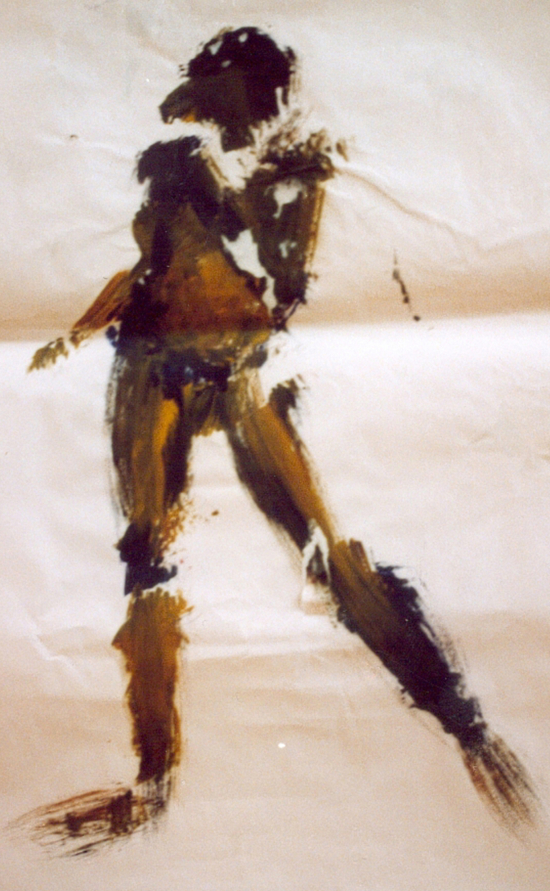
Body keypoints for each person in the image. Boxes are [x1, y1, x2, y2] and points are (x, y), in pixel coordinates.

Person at [28, 27, 534, 852]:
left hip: (235, 365)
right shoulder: (181, 160)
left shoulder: (284, 164)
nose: (214, 108)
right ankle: (153, 778)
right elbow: (150, 265)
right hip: (151, 365)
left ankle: (461, 718)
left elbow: (285, 281)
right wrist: (80, 331)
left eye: (228, 96)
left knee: (323, 550)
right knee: (150, 563)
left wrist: (265, 194)